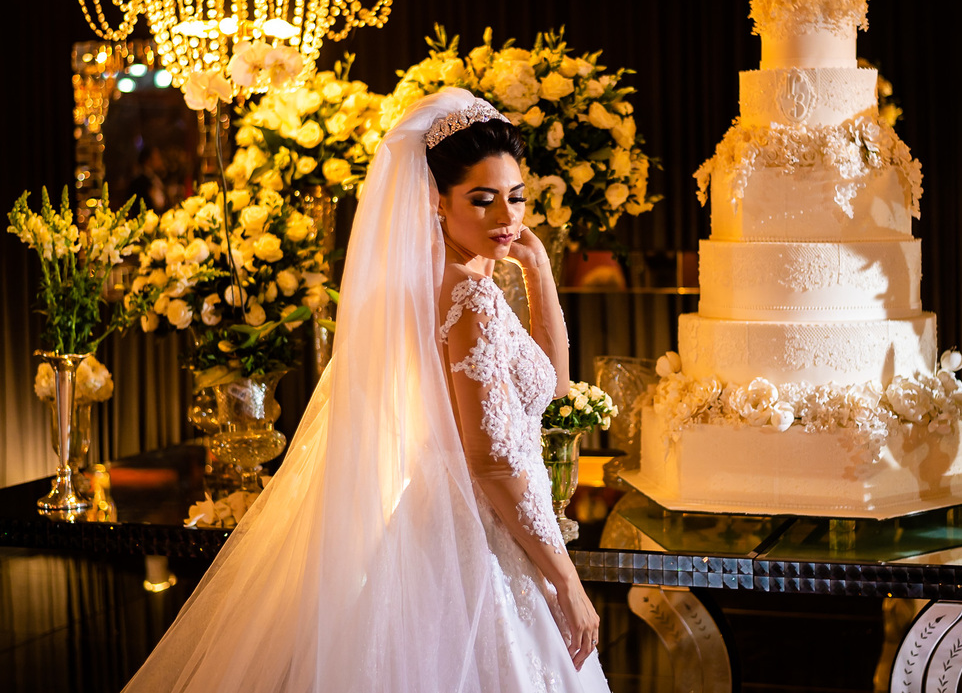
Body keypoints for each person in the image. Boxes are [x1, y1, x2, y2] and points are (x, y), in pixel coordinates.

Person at [122, 88, 610, 692]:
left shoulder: (451, 284)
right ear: (437, 202)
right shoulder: (467, 297)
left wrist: (537, 273)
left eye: (516, 198)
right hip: (483, 539)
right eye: (482, 200)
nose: (507, 218)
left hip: (474, 524)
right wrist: (564, 577)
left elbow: (553, 392)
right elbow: (490, 460)